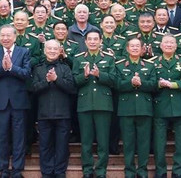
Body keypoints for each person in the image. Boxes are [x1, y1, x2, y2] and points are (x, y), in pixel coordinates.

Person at [0, 24, 31, 178]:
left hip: (19, 101)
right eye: (2, 36)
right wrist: (2, 68)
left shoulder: (24, 52)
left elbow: (26, 73)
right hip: (0, 101)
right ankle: (3, 169)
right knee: (1, 137)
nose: (5, 38)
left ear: (14, 37)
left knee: (19, 137)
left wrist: (12, 68)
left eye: (8, 35)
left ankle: (18, 169)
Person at [72, 30, 115, 178]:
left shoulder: (109, 58)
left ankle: (101, 171)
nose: (92, 42)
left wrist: (100, 75)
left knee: (103, 141)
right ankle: (87, 170)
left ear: (101, 41)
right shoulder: (78, 59)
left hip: (103, 104)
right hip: (85, 104)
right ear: (85, 42)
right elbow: (74, 81)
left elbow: (114, 80)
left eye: (95, 39)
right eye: (89, 39)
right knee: (86, 141)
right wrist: (83, 76)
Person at [31, 40, 76, 178]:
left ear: (60, 51)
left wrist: (56, 79)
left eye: (54, 49)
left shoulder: (65, 68)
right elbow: (34, 88)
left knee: (62, 146)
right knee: (45, 146)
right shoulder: (38, 68)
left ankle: (60, 172)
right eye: (49, 49)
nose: (52, 51)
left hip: (63, 114)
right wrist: (47, 81)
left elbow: (71, 88)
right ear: (44, 51)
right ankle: (47, 172)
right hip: (44, 114)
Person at [152, 34, 181, 178]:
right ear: (161, 46)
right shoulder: (153, 62)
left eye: (172, 43)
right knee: (159, 143)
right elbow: (149, 83)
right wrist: (159, 84)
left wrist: (174, 84)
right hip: (160, 106)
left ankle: (178, 172)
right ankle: (160, 172)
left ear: (176, 46)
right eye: (166, 43)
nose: (169, 45)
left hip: (180, 106)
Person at [115, 37, 155, 178]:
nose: (135, 48)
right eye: (132, 46)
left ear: (142, 49)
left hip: (144, 108)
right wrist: (131, 83)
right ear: (127, 49)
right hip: (126, 108)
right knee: (128, 142)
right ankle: (130, 171)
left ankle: (142, 171)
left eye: (137, 46)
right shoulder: (120, 65)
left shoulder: (149, 66)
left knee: (144, 143)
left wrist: (141, 83)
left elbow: (154, 85)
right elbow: (117, 85)